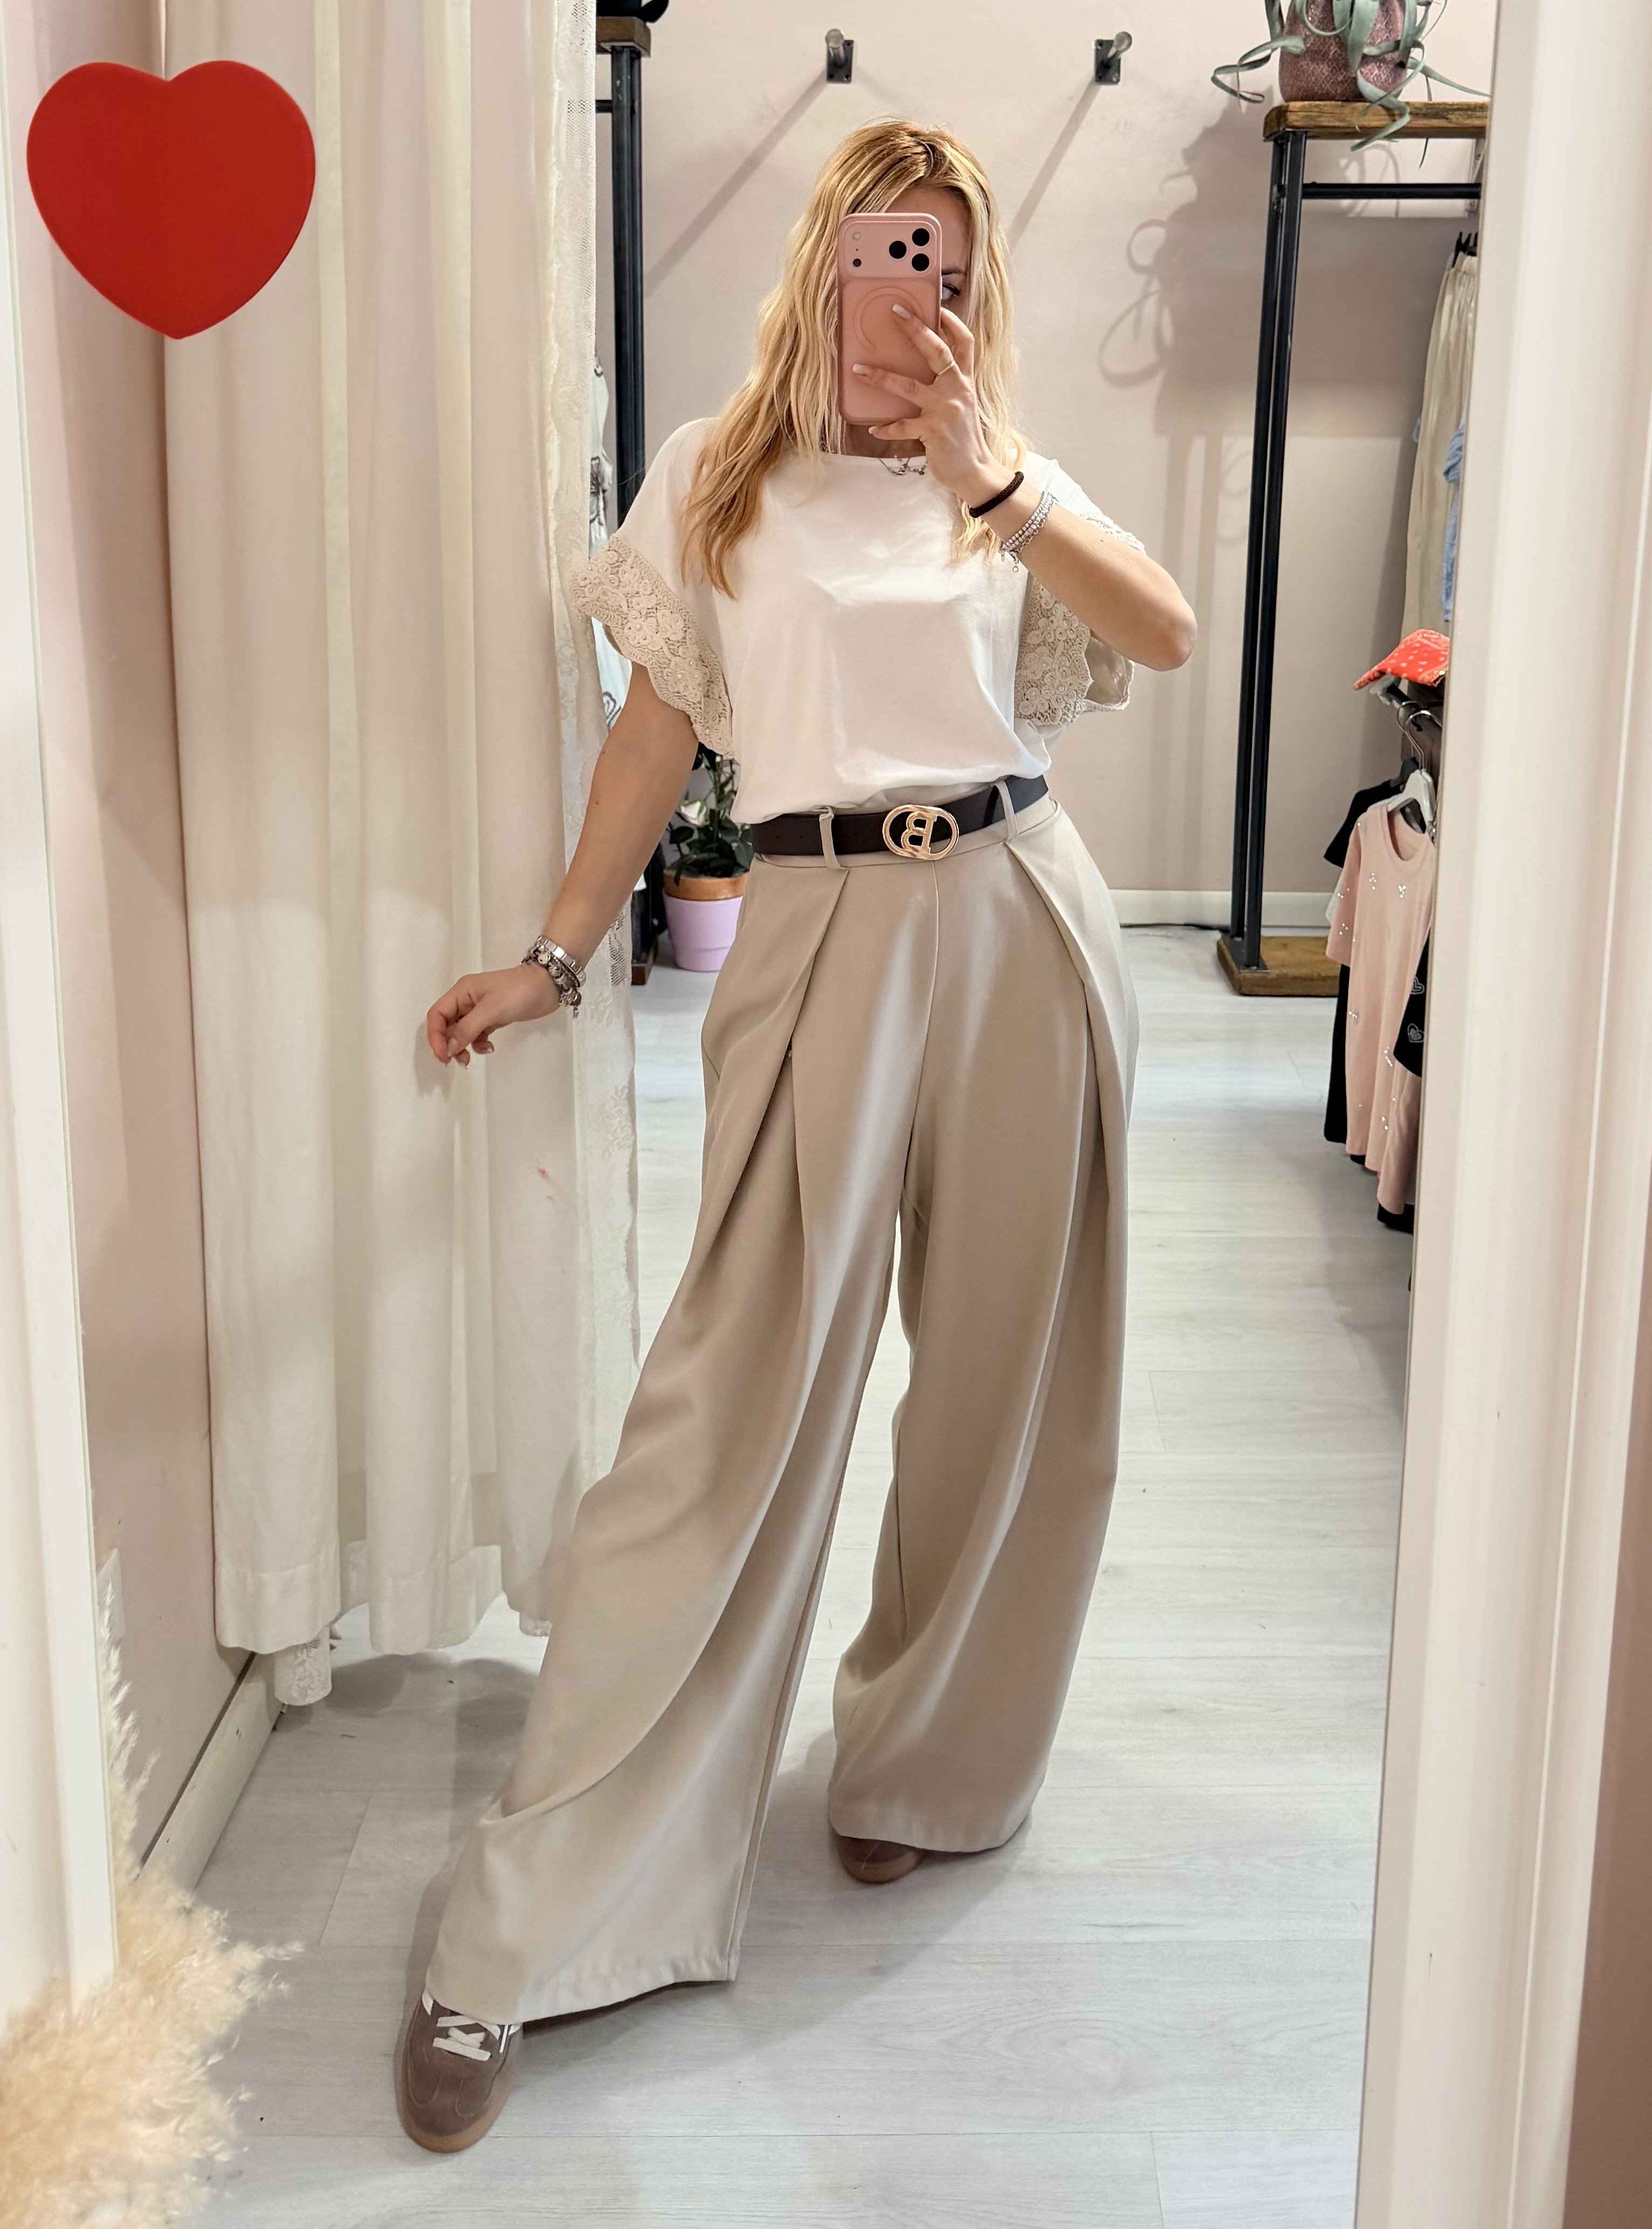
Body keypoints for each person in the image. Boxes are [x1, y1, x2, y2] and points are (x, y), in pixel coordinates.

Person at [398, 117, 1195, 2153]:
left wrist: (996, 484)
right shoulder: (713, 476)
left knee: (1009, 1384)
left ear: (971, 291)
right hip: (818, 920)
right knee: (722, 1409)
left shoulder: (996, 476)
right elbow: (651, 730)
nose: (903, 287)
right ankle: (529, 1920)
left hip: (1020, 911)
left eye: (943, 257)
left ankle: (926, 1766)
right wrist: (556, 957)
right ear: (820, 255)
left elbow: (1164, 630)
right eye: (876, 243)